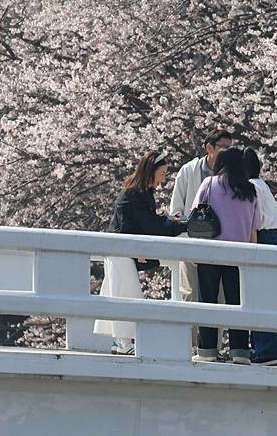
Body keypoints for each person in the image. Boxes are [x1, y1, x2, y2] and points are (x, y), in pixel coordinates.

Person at [95, 151, 186, 355]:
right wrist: (176, 225)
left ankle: (121, 342)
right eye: (161, 173)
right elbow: (149, 225)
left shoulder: (137, 192)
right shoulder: (135, 194)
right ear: (151, 172)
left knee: (120, 293)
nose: (163, 178)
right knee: (127, 294)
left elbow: (146, 223)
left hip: (122, 250)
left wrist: (170, 222)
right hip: (121, 251)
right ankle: (123, 342)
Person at [191, 146, 261, 364]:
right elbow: (253, 230)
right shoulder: (250, 190)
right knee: (237, 302)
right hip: (239, 255)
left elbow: (195, 214)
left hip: (210, 252)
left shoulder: (209, 185)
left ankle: (207, 350)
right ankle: (240, 351)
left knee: (208, 301)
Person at [169, 129, 233, 305]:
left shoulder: (231, 177)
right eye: (223, 147)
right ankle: (190, 334)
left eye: (230, 148)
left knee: (218, 301)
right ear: (209, 148)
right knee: (190, 296)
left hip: (220, 248)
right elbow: (176, 212)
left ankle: (216, 335)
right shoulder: (188, 171)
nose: (227, 152)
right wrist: (189, 247)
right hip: (191, 246)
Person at [244, 148, 277, 366]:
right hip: (275, 238)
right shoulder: (262, 185)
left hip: (263, 238)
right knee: (269, 297)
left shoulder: (251, 187)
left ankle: (265, 350)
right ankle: (266, 348)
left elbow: (255, 221)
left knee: (260, 297)